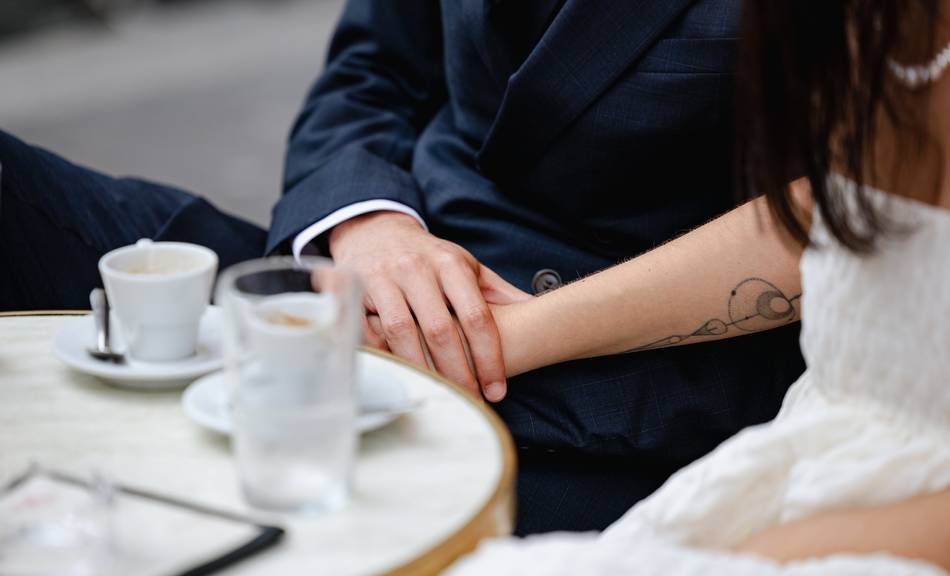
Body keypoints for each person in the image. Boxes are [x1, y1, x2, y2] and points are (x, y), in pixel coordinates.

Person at [0, 0, 806, 534]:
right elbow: (374, 66)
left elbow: (859, 211)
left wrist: (494, 336)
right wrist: (367, 223)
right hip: (343, 287)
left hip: (611, 401)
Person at [398, 0, 950, 576]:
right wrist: (498, 335)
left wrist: (757, 565)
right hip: (807, 453)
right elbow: (828, 215)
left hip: (903, 531)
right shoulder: (888, 24)